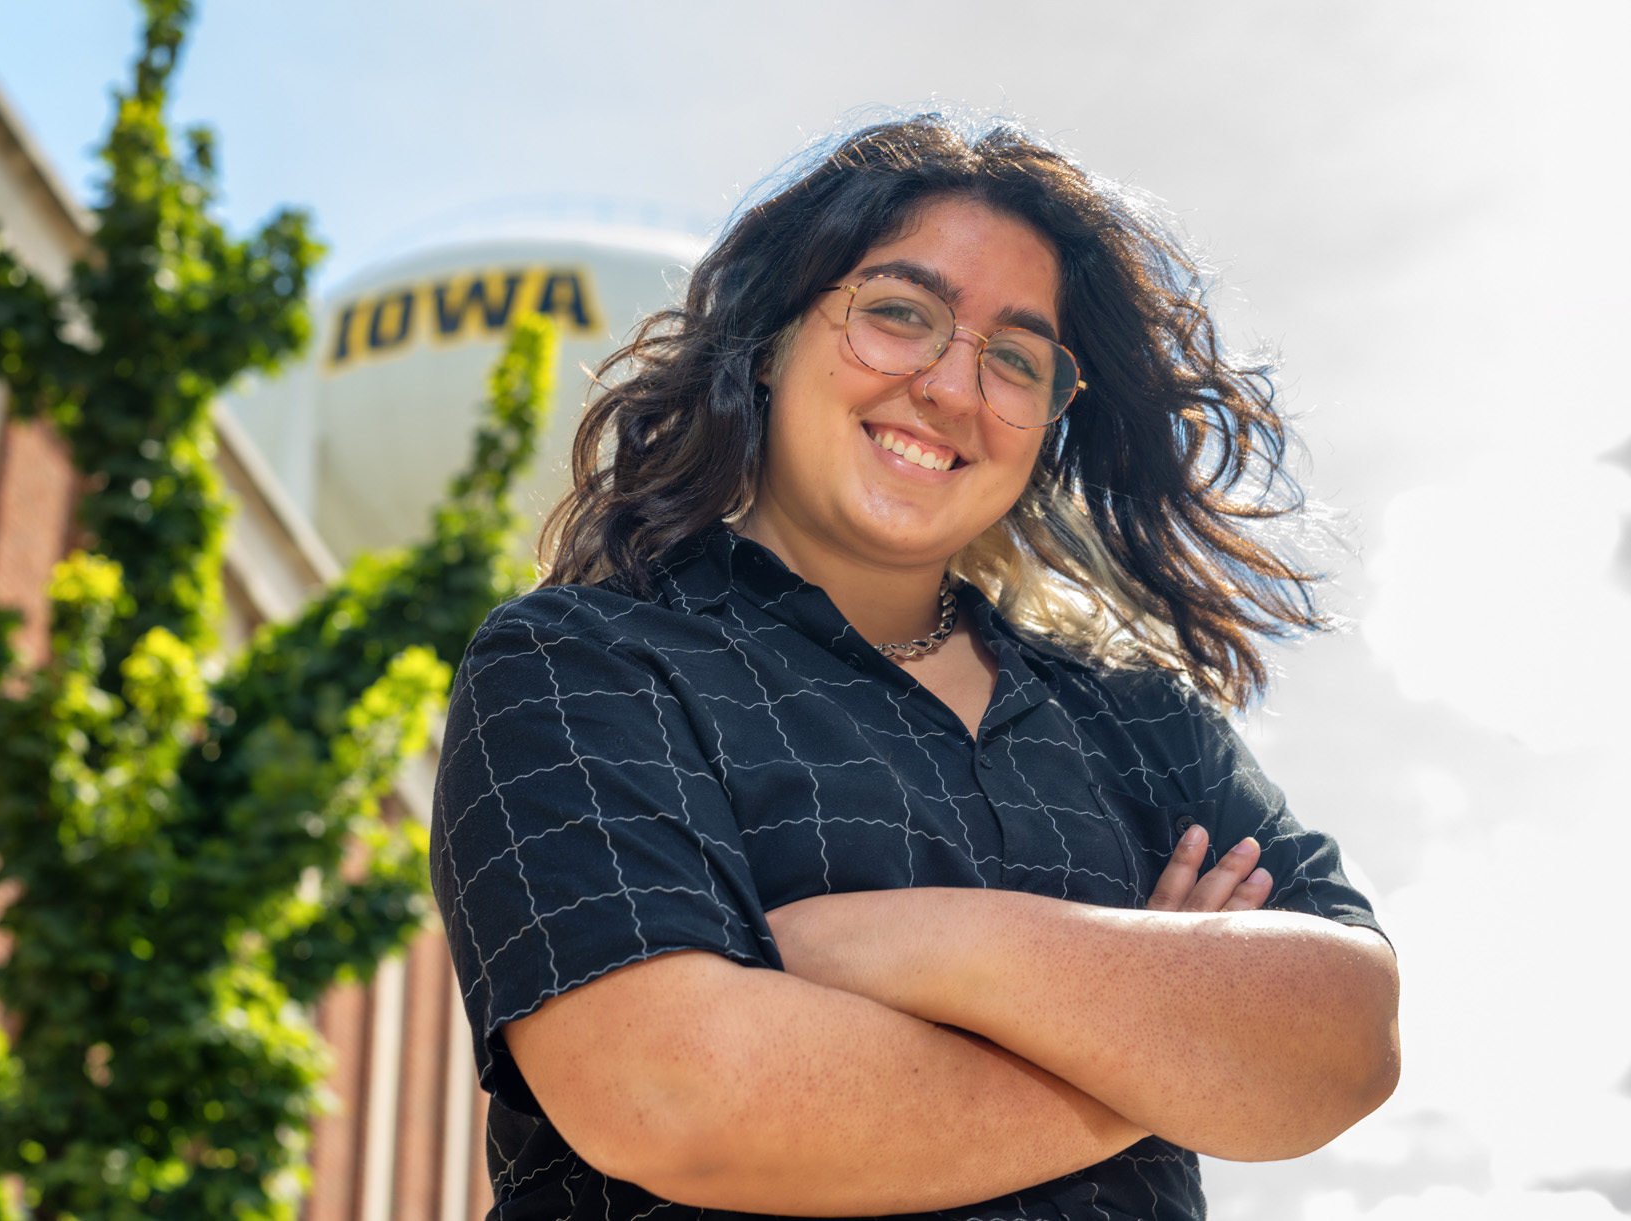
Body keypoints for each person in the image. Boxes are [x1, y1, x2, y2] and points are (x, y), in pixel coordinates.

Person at [430, 115, 1399, 1221]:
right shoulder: (576, 665)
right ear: (769, 337)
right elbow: (675, 1095)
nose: (950, 385)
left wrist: (907, 943)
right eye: (899, 313)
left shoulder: (1138, 717)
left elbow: (1344, 1042)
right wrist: (1165, 1050)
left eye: (1016, 358)